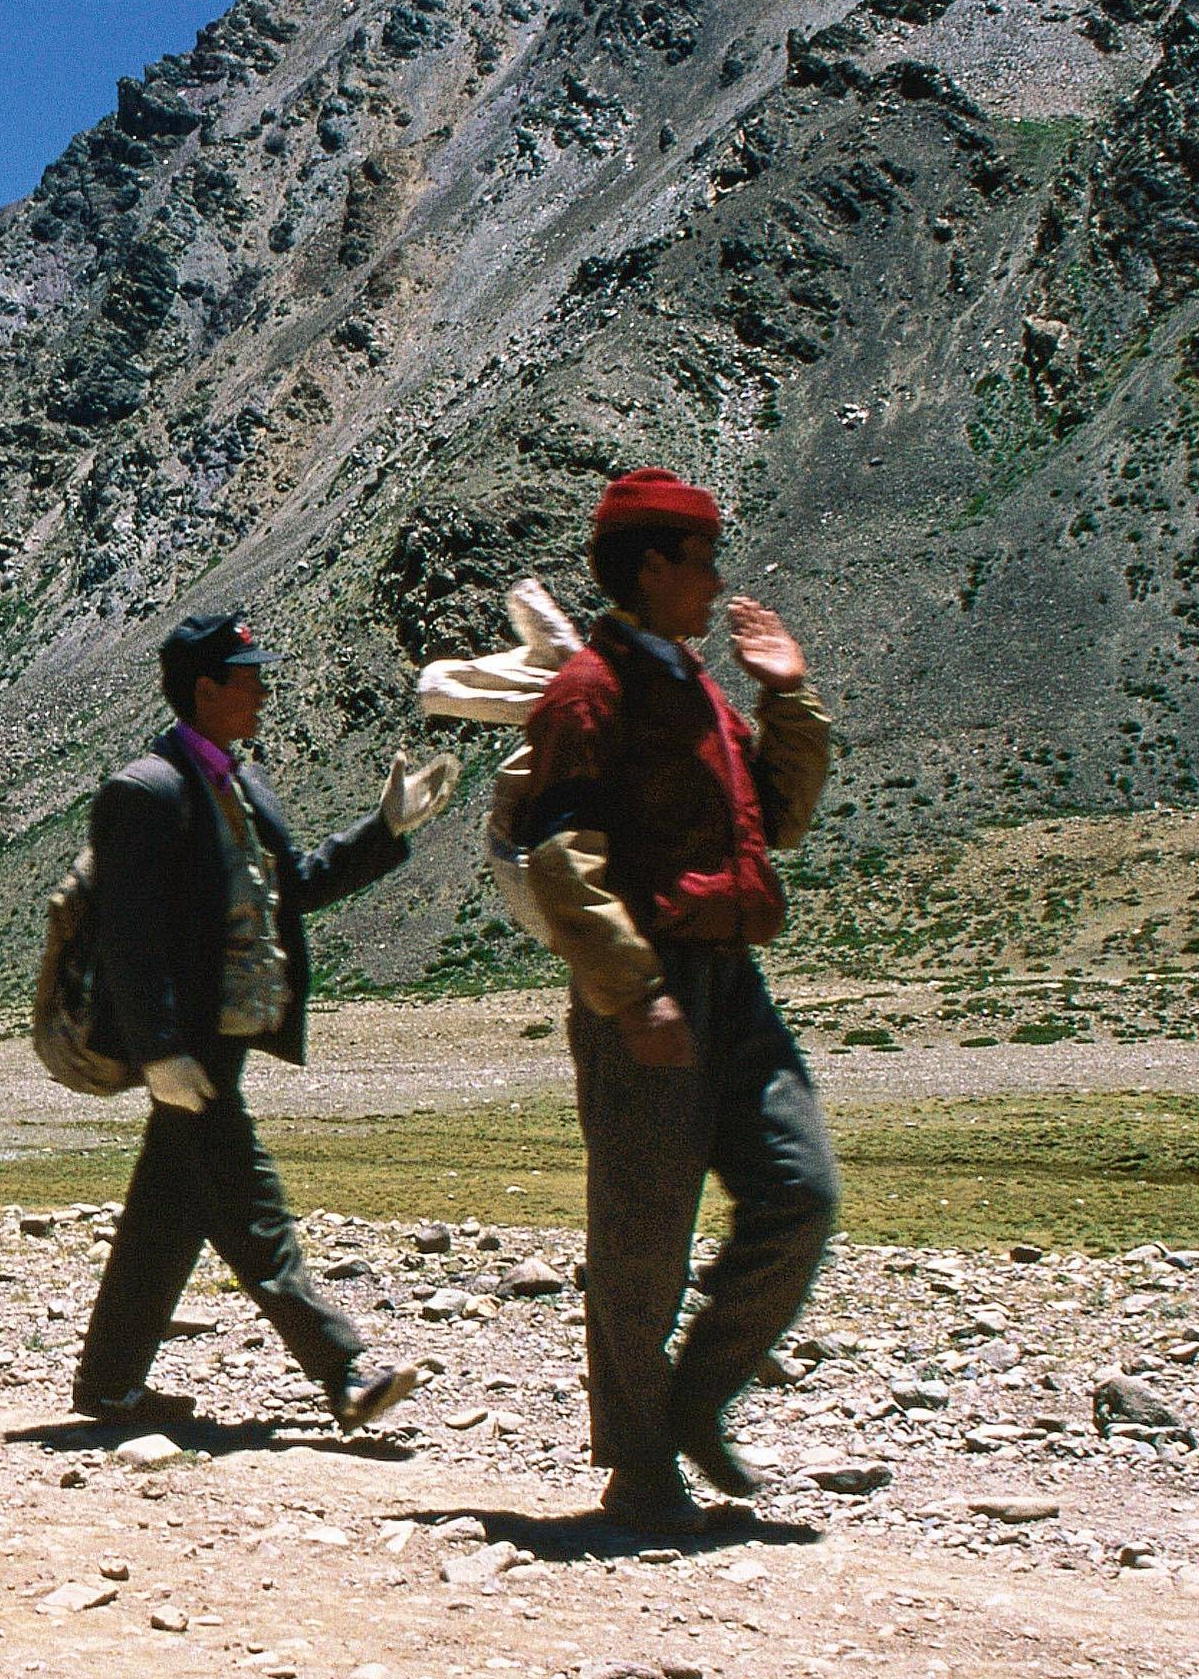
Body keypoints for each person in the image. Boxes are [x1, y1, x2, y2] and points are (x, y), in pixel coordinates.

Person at [511, 467, 837, 1531]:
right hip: (648, 987)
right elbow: (559, 853)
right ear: (653, 566)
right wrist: (631, 988)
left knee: (799, 1191)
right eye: (701, 559)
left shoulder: (697, 688)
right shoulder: (589, 692)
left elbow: (778, 820)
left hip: (731, 981)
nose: (716, 579)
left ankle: (690, 1403)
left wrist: (786, 698)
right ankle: (641, 1466)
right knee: (641, 1239)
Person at [70, 614, 455, 1432]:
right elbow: (127, 936)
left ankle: (106, 1385)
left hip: (229, 1035)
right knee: (249, 1204)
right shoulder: (144, 792)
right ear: (205, 689)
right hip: (189, 1046)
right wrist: (159, 1051)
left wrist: (384, 830)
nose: (263, 692)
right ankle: (343, 1371)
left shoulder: (242, 785)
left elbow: (295, 886)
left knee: (170, 1209)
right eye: (247, 678)